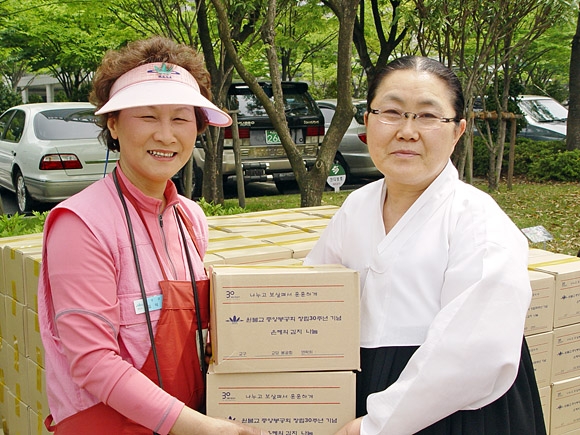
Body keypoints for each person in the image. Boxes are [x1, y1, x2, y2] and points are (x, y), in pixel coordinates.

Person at [304, 56, 546, 434]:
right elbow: (310, 294)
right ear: (367, 121)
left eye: (428, 116)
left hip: (459, 411)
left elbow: (475, 355)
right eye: (392, 112)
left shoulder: (478, 220)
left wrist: (376, 424)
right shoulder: (357, 206)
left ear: (458, 131)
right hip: (364, 389)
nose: (407, 131)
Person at [37, 36, 263, 435]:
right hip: (112, 424)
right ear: (114, 125)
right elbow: (92, 363)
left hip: (187, 415)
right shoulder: (80, 224)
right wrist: (202, 428)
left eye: (180, 118)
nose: (165, 135)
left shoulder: (189, 218)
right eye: (147, 117)